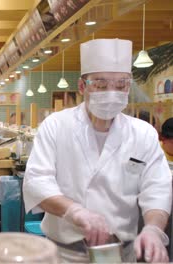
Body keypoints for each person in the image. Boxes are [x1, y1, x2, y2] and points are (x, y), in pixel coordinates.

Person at [23, 39, 171, 263]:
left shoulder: (143, 133)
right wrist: (75, 212)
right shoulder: (57, 125)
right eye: (101, 85)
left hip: (122, 254)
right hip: (63, 253)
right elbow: (37, 181)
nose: (111, 93)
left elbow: (157, 189)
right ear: (82, 87)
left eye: (121, 85)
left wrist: (153, 229)